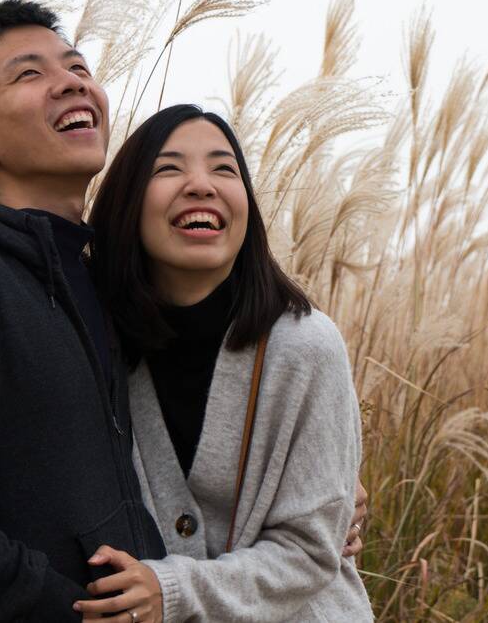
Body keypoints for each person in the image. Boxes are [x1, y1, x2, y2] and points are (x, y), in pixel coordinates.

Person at [0, 0, 366, 622]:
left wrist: (325, 494)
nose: (71, 81)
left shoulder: (104, 293)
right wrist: (61, 606)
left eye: (77, 66)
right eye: (29, 74)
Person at [79, 104, 375, 622]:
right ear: (127, 201)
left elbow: (309, 552)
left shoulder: (306, 347)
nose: (201, 185)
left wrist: (168, 591)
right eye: (169, 168)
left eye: (224, 168)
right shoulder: (95, 347)